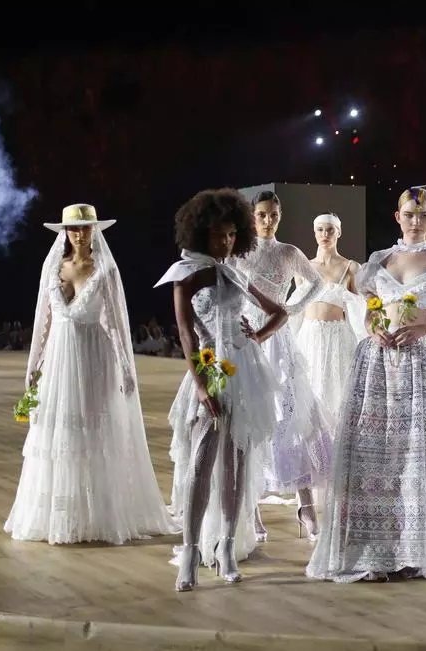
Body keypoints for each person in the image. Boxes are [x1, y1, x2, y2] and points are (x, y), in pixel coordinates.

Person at [306, 187, 426, 584]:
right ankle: (376, 550)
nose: (416, 221)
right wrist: (373, 329)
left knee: (418, 454)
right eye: (409, 215)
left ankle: (418, 551)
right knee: (379, 455)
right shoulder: (379, 261)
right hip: (380, 364)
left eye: (423, 215)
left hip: (424, 365)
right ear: (398, 217)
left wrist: (421, 330)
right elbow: (370, 313)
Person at [5, 204, 176, 545]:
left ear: (94, 231)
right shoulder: (54, 267)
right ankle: (62, 515)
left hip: (93, 356)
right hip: (59, 358)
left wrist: (125, 366)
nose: (79, 234)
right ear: (64, 232)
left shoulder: (104, 270)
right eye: (73, 228)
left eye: (85, 228)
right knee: (60, 434)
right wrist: (35, 365)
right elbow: (44, 321)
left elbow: (115, 322)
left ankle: (97, 514)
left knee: (94, 431)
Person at [156, 189, 289, 591]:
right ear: (201, 233)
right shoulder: (185, 274)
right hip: (209, 369)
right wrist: (200, 385)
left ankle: (228, 546)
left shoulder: (234, 273)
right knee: (200, 463)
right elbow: (186, 334)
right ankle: (191, 550)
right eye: (219, 234)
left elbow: (280, 311)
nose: (227, 242)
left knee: (237, 463)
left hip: (244, 371)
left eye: (232, 234)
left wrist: (258, 336)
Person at [229, 190, 333, 542]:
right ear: (252, 216)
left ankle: (305, 505)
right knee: (250, 416)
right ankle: (251, 507)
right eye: (261, 214)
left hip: (278, 338)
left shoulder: (288, 252)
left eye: (273, 214)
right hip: (247, 337)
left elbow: (316, 282)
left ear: (280, 215)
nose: (268, 220)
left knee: (292, 414)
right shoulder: (239, 252)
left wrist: (291, 308)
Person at [292, 213, 365, 428]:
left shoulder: (351, 268)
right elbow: (298, 307)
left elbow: (360, 307)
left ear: (338, 232)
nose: (325, 234)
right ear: (314, 233)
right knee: (310, 391)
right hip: (309, 337)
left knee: (336, 392)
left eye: (330, 230)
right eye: (320, 230)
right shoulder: (303, 267)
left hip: (338, 339)